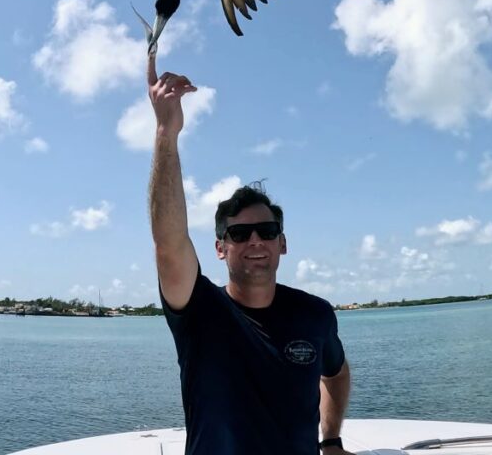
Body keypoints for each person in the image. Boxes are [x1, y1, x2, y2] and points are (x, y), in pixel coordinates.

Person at [147, 53, 353, 455]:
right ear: (221, 248)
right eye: (239, 233)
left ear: (283, 243)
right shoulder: (198, 311)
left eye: (267, 231)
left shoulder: (315, 314)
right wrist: (165, 133)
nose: (255, 240)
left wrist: (331, 440)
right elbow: (170, 245)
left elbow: (337, 373)